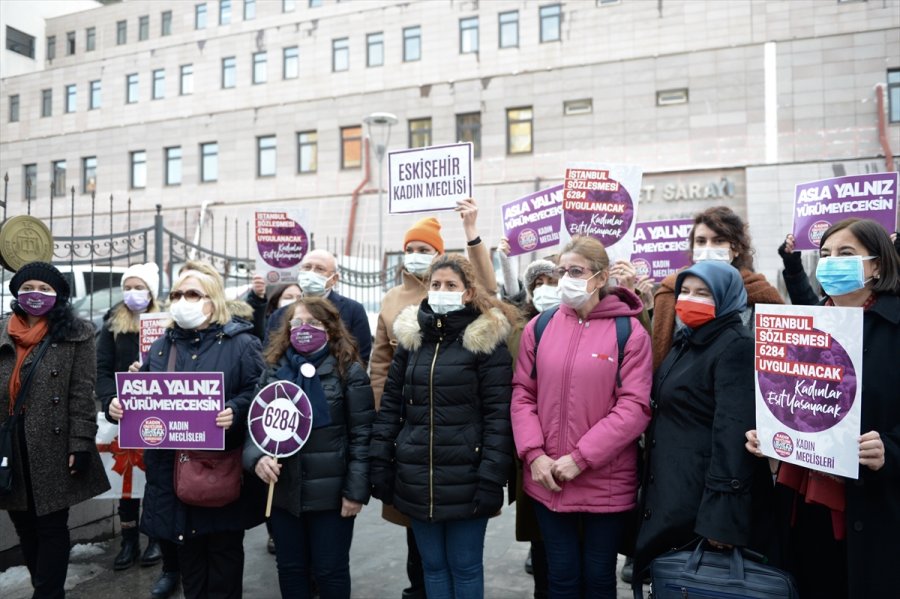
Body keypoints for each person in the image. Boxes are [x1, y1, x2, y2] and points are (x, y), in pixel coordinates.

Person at [746, 218, 900, 598]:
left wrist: (890, 451)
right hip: (804, 502)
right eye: (826, 254)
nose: (832, 262)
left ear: (877, 264)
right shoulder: (802, 325)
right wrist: (768, 433)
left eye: (846, 254)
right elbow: (786, 397)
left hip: (874, 508)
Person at [109, 265, 265, 599]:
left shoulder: (242, 344)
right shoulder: (163, 346)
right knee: (191, 570)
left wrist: (236, 410)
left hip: (218, 473)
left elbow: (260, 391)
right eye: (177, 294)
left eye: (193, 294)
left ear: (214, 301)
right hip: (171, 474)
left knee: (222, 566)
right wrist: (120, 406)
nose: (183, 301)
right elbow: (144, 399)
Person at [367, 200, 498, 599]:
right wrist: (384, 451)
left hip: (463, 470)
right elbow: (384, 382)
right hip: (415, 462)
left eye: (450, 286)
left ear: (465, 291)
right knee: (431, 567)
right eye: (436, 286)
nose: (440, 291)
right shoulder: (407, 326)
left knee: (464, 566)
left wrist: (472, 231)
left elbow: (497, 414)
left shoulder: (483, 334)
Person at [510, 236, 652, 599]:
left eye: (576, 271)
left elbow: (634, 407)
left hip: (604, 481)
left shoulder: (629, 332)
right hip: (548, 479)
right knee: (561, 578)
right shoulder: (538, 328)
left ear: (601, 277)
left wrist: (580, 458)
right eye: (562, 271)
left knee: (599, 579)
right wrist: (534, 455)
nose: (566, 279)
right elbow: (523, 395)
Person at [634, 261, 774, 576]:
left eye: (703, 293)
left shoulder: (735, 346)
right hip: (673, 492)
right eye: (684, 291)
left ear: (726, 298)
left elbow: (732, 435)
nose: (689, 299)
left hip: (699, 505)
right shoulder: (687, 341)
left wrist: (721, 520)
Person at [244, 296, 374, 599]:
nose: (304, 329)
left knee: (330, 571)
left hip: (331, 498)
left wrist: (355, 492)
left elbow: (363, 436)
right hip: (283, 494)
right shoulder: (273, 371)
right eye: (297, 323)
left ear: (329, 329)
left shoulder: (349, 372)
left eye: (313, 323)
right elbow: (254, 428)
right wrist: (257, 459)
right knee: (290, 570)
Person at [1, 261, 111, 599]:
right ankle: (44, 587)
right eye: (29, 287)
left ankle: (48, 593)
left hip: (54, 443)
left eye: (45, 289)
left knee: (50, 523)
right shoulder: (3, 331)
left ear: (59, 296)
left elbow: (82, 393)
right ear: (17, 292)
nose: (36, 294)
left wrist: (79, 443)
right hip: (9, 444)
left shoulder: (76, 333)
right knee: (24, 524)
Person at [651, 206, 783, 369]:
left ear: (736, 249)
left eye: (719, 240)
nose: (708, 248)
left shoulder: (761, 294)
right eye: (701, 241)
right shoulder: (669, 291)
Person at [96, 262, 164, 571]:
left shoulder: (167, 322)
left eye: (140, 287)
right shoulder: (113, 322)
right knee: (127, 479)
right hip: (124, 413)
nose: (133, 293)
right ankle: (128, 541)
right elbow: (102, 368)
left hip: (160, 412)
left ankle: (155, 538)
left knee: (154, 475)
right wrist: (110, 400)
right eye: (128, 287)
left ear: (152, 292)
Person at [506, 258, 559, 599]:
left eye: (551, 281)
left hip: (574, 451)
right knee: (542, 541)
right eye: (537, 283)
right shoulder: (520, 329)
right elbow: (518, 391)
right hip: (531, 448)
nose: (545, 289)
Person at [265, 250, 372, 364]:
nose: (311, 273)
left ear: (334, 279)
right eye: (307, 267)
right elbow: (271, 355)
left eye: (319, 269)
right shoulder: (279, 314)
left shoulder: (353, 310)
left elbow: (361, 356)